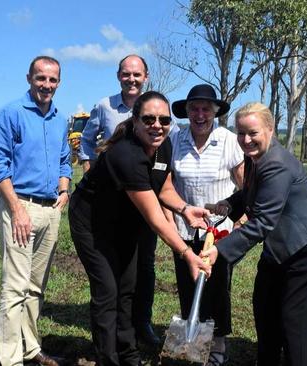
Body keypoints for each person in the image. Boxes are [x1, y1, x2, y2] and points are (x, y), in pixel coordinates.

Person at [68, 91, 212, 366]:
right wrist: (187, 253)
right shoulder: (126, 155)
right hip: (92, 223)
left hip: (125, 222)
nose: (157, 125)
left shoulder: (163, 146)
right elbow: (155, 218)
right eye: (148, 119)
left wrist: (183, 208)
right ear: (135, 121)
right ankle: (107, 359)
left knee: (127, 288)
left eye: (163, 119)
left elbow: (163, 186)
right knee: (107, 291)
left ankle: (128, 354)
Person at [201, 102, 307, 366]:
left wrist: (219, 251)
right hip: (282, 243)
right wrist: (231, 205)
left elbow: (263, 221)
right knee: (264, 306)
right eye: (240, 133)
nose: (245, 139)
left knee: (295, 320)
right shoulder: (254, 156)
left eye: (252, 132)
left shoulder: (277, 164)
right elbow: (252, 191)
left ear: (270, 129)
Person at [0, 55, 71, 366]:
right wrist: (16, 208)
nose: (46, 85)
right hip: (19, 206)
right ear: (29, 78)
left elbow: (65, 159)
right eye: (40, 78)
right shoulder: (11, 113)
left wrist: (64, 189)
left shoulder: (61, 119)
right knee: (15, 287)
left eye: (52, 80)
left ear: (59, 82)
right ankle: (10, 360)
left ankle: (31, 349)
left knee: (36, 287)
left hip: (50, 210)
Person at [78, 54, 162, 345]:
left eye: (137, 75)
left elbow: (164, 151)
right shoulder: (104, 106)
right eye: (126, 74)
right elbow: (87, 138)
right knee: (118, 268)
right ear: (118, 76)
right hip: (111, 204)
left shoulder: (155, 109)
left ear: (146, 77)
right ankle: (115, 325)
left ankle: (143, 323)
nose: (132, 79)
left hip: (144, 198)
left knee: (145, 266)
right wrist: (89, 165)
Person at [169, 84, 245, 366]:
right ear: (187, 112)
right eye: (194, 109)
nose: (199, 114)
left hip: (219, 232)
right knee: (187, 284)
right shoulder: (176, 140)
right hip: (184, 229)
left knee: (218, 287)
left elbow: (244, 184)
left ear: (215, 112)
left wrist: (237, 215)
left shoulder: (228, 141)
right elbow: (168, 184)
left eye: (205, 109)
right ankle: (193, 341)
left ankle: (219, 343)